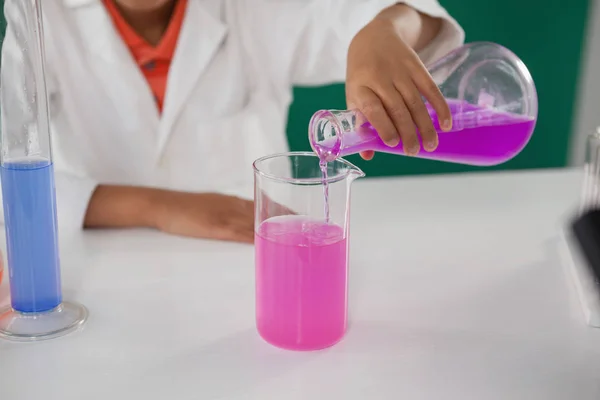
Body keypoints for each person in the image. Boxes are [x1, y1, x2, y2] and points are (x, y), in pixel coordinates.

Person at [1, 0, 464, 243]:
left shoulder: (253, 8)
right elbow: (11, 178)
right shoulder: (39, 13)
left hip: (247, 254)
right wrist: (159, 207)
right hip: (100, 258)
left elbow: (402, 16)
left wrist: (385, 28)